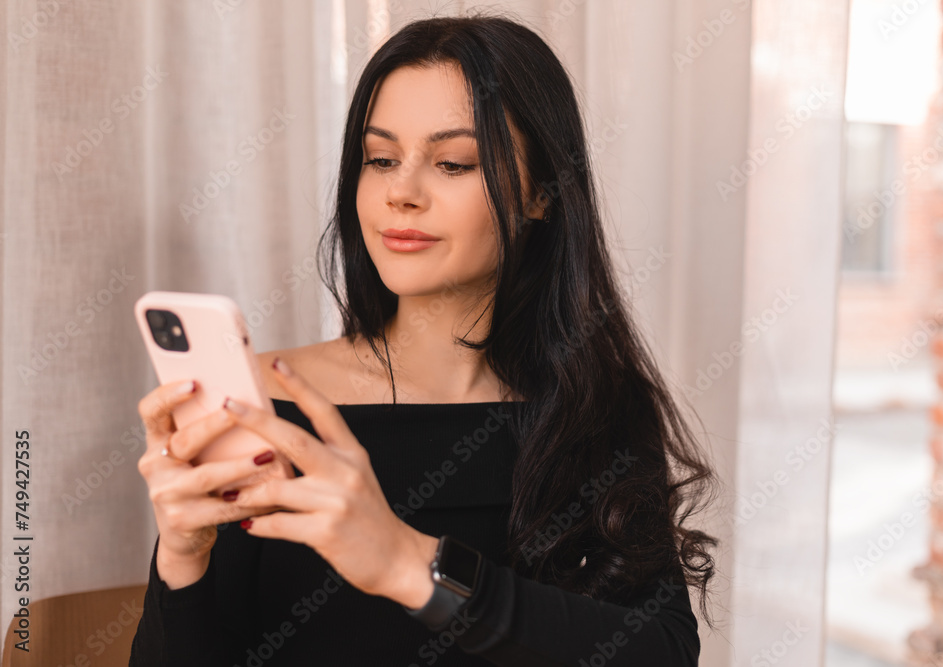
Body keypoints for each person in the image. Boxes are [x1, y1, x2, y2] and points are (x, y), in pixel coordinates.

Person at [129, 12, 719, 666]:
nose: (401, 192)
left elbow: (661, 652)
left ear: (541, 195)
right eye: (380, 158)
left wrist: (408, 563)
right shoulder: (266, 409)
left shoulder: (594, 406)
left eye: (453, 162)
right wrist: (182, 557)